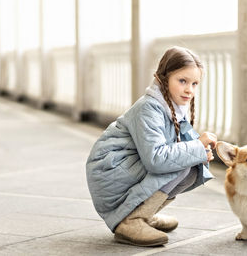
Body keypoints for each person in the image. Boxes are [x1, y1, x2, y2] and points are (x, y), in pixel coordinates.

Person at [86, 46, 217, 247]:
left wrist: (198, 153)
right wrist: (197, 147)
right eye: (182, 81)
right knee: (178, 165)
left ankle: (144, 214)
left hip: (125, 168)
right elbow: (156, 159)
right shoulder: (149, 108)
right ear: (164, 79)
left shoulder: (171, 107)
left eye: (194, 83)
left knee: (191, 168)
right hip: (110, 171)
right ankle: (130, 220)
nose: (189, 89)